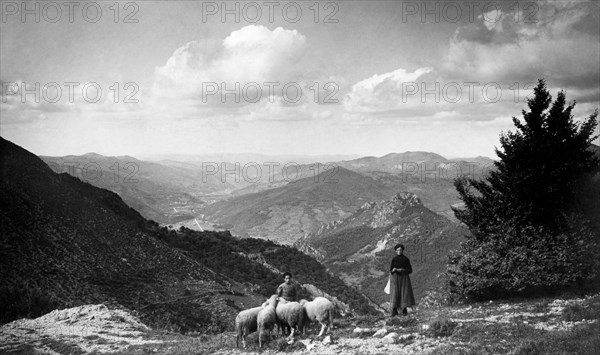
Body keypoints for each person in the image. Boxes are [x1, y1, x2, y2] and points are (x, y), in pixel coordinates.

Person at [389, 243, 415, 316]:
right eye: (397, 250)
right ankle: (394, 310)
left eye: (400, 250)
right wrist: (393, 270)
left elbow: (410, 270)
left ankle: (404, 309)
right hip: (395, 278)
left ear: (402, 250)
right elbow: (391, 270)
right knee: (395, 293)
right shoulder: (394, 259)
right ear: (395, 251)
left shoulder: (406, 259)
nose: (399, 251)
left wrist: (402, 270)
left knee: (404, 293)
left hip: (404, 278)